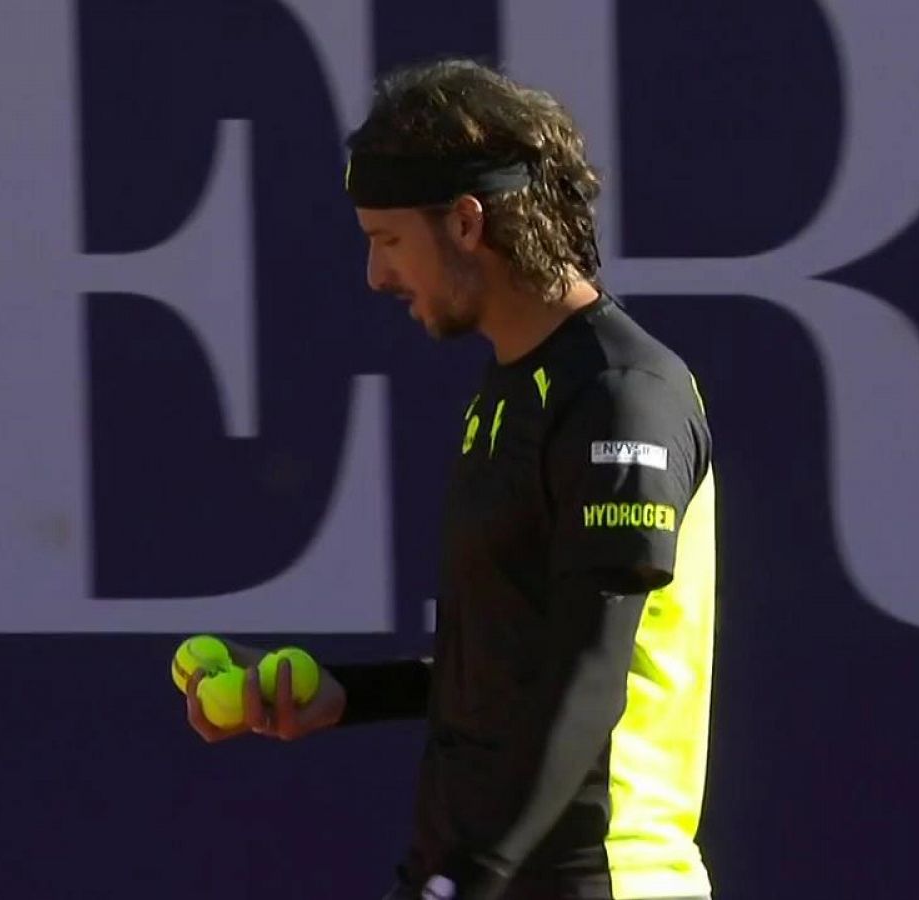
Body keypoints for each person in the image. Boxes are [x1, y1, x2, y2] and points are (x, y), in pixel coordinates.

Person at [184, 58, 718, 900]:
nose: (376, 276)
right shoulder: (512, 391)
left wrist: (466, 880)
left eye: (387, 241)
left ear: (466, 224)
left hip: (598, 880)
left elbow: (587, 677)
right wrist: (342, 695)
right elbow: (512, 666)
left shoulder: (622, 398)